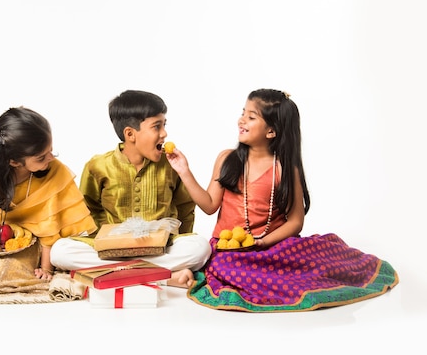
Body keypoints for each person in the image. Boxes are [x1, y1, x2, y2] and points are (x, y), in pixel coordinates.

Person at [165, 88, 399, 311]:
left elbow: (295, 222)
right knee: (221, 266)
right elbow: (208, 205)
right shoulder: (227, 159)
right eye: (242, 113)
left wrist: (264, 242)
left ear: (271, 131)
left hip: (270, 247)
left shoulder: (284, 169)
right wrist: (184, 171)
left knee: (313, 266)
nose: (241, 120)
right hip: (230, 251)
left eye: (251, 117)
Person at [50, 90, 211, 288]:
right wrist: (105, 242)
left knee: (200, 247)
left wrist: (180, 240)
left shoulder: (171, 166)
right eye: (156, 126)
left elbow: (185, 207)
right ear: (130, 134)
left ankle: (116, 274)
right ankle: (163, 276)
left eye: (164, 125)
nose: (164, 134)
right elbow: (88, 210)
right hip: (111, 251)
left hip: (161, 248)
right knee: (60, 251)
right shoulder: (98, 165)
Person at [0, 106, 97, 281]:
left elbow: (50, 227)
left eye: (51, 151)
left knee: (52, 256)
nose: (51, 159)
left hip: (45, 243)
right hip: (4, 236)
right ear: (14, 161)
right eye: (41, 157)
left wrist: (46, 269)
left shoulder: (54, 172)